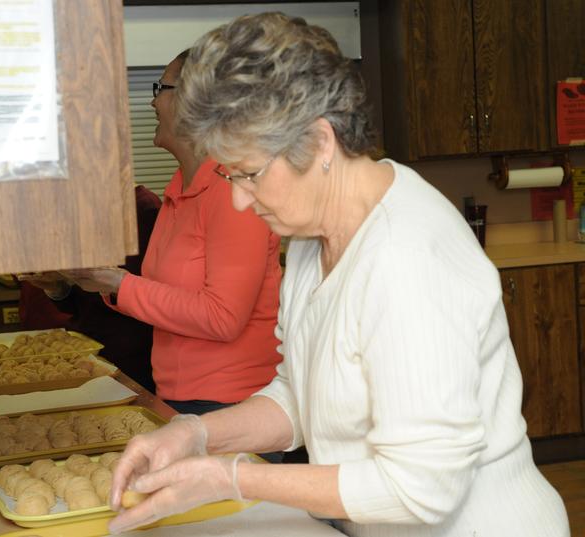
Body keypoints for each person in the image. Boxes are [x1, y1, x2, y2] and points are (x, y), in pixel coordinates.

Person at [106, 13, 570, 537]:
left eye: (249, 174)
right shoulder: (311, 237)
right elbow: (301, 394)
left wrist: (233, 479)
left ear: (320, 142)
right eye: (229, 175)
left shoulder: (407, 258)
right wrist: (196, 434)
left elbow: (421, 489)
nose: (237, 198)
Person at [62, 50, 283, 418]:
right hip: (179, 398)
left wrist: (120, 283)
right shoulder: (180, 188)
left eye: (160, 87)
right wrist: (102, 281)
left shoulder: (234, 191)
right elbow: (170, 302)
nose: (152, 100)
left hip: (232, 407)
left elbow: (222, 317)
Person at [18, 184, 160, 392]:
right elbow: (77, 302)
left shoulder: (142, 209)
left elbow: (151, 296)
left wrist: (110, 283)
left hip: (130, 356)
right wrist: (57, 288)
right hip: (89, 349)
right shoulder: (85, 210)